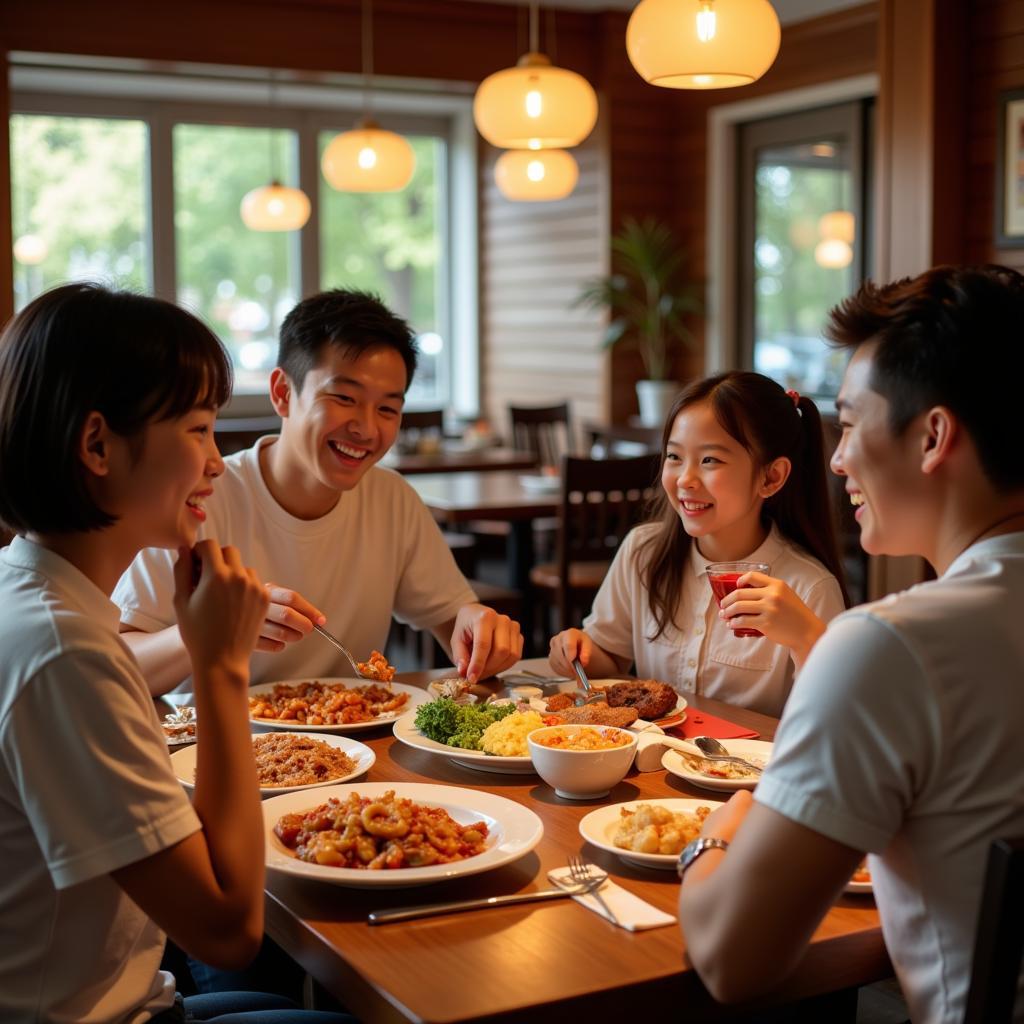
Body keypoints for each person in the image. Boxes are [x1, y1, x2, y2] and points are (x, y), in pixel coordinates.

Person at [677, 265, 1024, 1023]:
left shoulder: (889, 648)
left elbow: (732, 960)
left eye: (849, 423)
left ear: (933, 436)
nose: (835, 459)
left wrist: (713, 839)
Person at [0, 283, 353, 1023]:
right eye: (197, 430)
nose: (217, 464)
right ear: (96, 445)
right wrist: (218, 663)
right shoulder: (65, 651)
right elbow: (228, 929)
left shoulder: (31, 595)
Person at [114, 289, 522, 694]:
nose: (365, 428)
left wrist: (479, 631)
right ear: (282, 393)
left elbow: (455, 622)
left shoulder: (390, 498)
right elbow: (120, 665)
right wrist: (212, 628)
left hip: (356, 749)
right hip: (209, 746)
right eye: (344, 397)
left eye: (387, 409)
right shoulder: (197, 497)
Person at [548, 371, 847, 717]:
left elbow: (832, 721)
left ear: (771, 476)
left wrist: (804, 637)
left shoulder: (809, 588)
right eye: (674, 457)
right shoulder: (643, 552)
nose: (685, 479)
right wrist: (580, 652)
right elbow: (610, 655)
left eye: (710, 460)